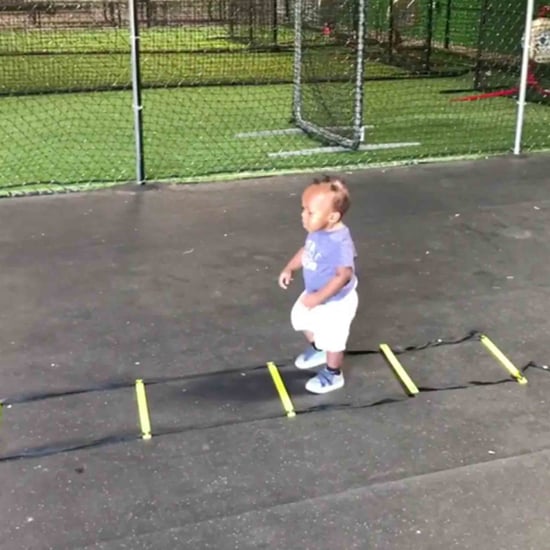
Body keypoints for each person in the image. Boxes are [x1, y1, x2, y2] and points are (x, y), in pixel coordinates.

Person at [278, 176, 359, 394]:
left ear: (332, 217)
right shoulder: (319, 231)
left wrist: (318, 298)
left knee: (334, 338)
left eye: (310, 212)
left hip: (336, 301)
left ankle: (333, 374)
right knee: (300, 318)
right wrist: (290, 268)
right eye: (303, 209)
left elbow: (344, 276)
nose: (303, 215)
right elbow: (307, 250)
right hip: (315, 293)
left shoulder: (339, 243)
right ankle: (319, 347)